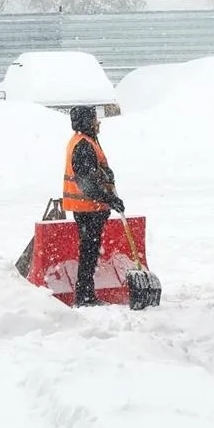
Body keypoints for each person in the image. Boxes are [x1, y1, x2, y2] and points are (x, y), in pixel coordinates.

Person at [62, 105, 125, 307]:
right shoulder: (83, 145)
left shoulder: (87, 141)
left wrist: (107, 176)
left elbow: (95, 173)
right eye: (94, 119)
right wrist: (109, 198)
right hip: (88, 209)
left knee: (89, 251)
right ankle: (84, 296)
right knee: (88, 253)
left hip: (91, 208)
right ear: (87, 122)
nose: (98, 123)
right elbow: (86, 182)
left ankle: (85, 294)